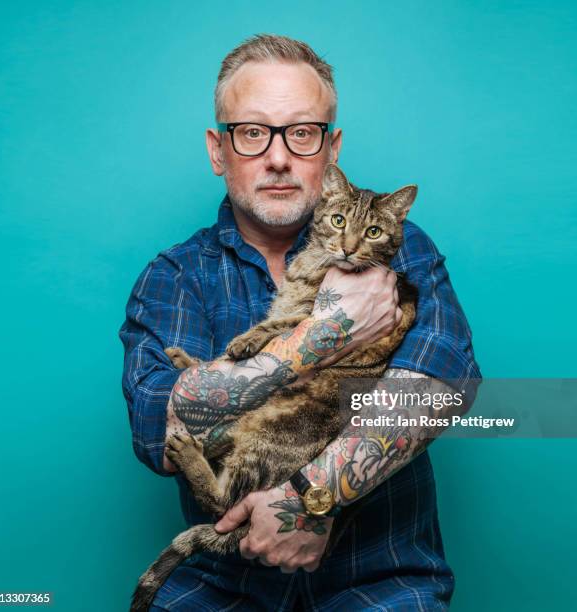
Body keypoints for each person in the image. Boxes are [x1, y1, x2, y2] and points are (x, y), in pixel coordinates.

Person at [119, 34, 481, 611]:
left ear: (332, 150)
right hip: (219, 585)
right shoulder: (175, 276)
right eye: (253, 132)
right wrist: (322, 336)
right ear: (218, 151)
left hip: (380, 582)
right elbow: (160, 429)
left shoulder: (400, 248)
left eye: (302, 132)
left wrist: (311, 499)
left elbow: (441, 387)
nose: (279, 157)